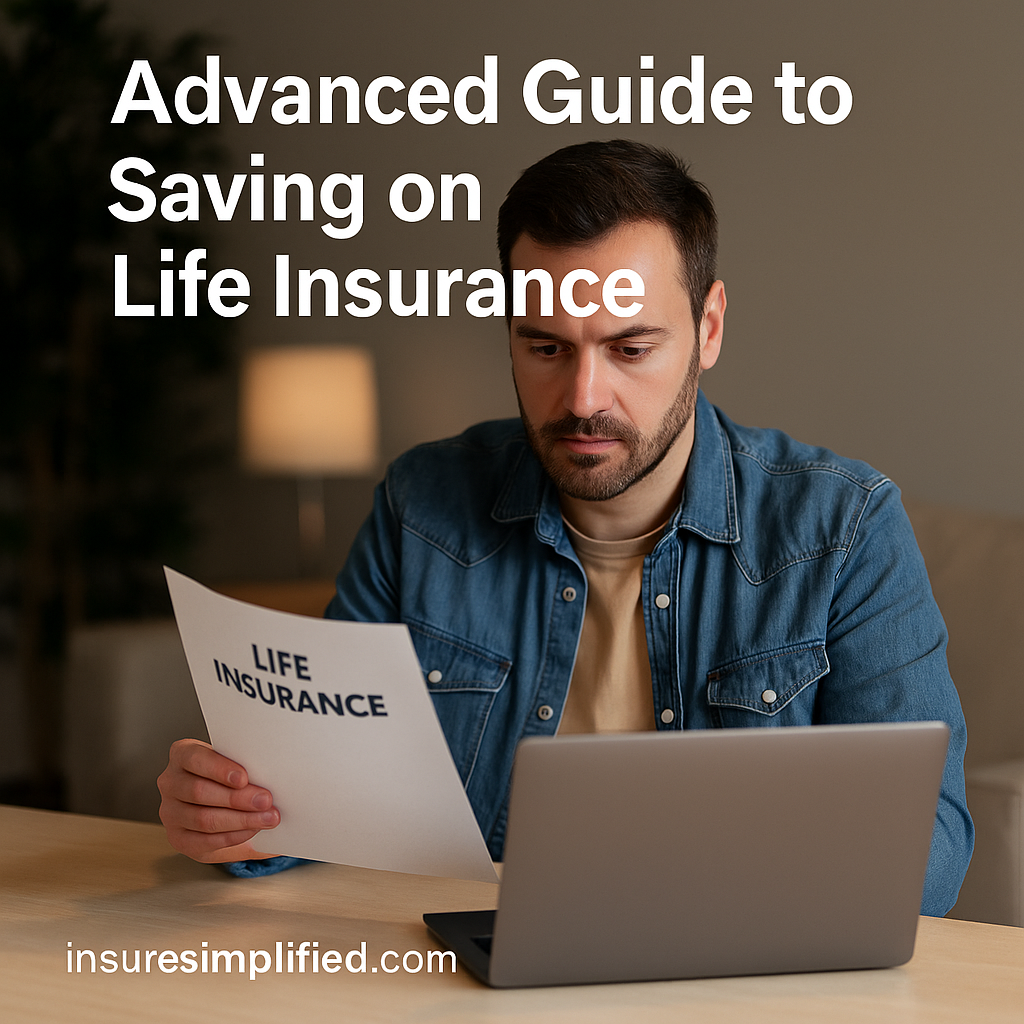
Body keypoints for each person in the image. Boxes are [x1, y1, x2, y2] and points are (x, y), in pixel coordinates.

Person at [158, 140, 973, 916]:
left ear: (710, 327)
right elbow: (325, 795)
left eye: (629, 348)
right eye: (545, 346)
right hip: (464, 967)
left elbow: (930, 846)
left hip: (733, 969)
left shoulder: (844, 529)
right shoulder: (422, 505)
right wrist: (238, 820)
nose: (584, 398)